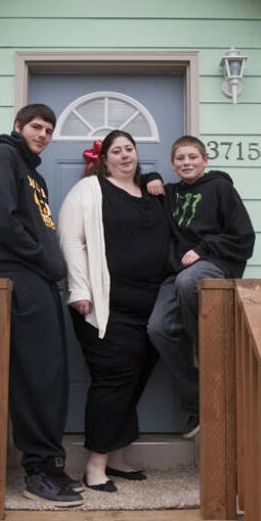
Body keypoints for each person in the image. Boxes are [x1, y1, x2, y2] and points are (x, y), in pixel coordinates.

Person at [0, 103, 83, 507]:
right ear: (18, 126)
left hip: (39, 280)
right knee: (34, 375)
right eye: (37, 126)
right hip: (15, 277)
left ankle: (50, 463)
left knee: (51, 374)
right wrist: (39, 255)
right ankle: (36, 472)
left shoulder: (34, 175)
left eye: (50, 130)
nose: (43, 135)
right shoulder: (0, 158)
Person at [58, 130, 172, 493]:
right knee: (112, 382)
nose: (125, 156)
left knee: (134, 381)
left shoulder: (154, 192)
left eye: (130, 149)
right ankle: (94, 467)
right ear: (104, 159)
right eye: (116, 151)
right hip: (104, 307)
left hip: (151, 309)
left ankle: (117, 458)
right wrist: (78, 289)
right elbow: (71, 240)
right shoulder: (89, 191)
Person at [146, 136, 255, 438]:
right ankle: (196, 398)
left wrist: (204, 249)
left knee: (189, 279)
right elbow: (138, 184)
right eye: (180, 158)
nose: (186, 163)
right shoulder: (170, 194)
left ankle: (203, 347)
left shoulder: (220, 188)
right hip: (179, 272)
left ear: (205, 160)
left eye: (193, 157)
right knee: (158, 329)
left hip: (216, 263)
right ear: (173, 164)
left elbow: (244, 237)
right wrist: (150, 177)